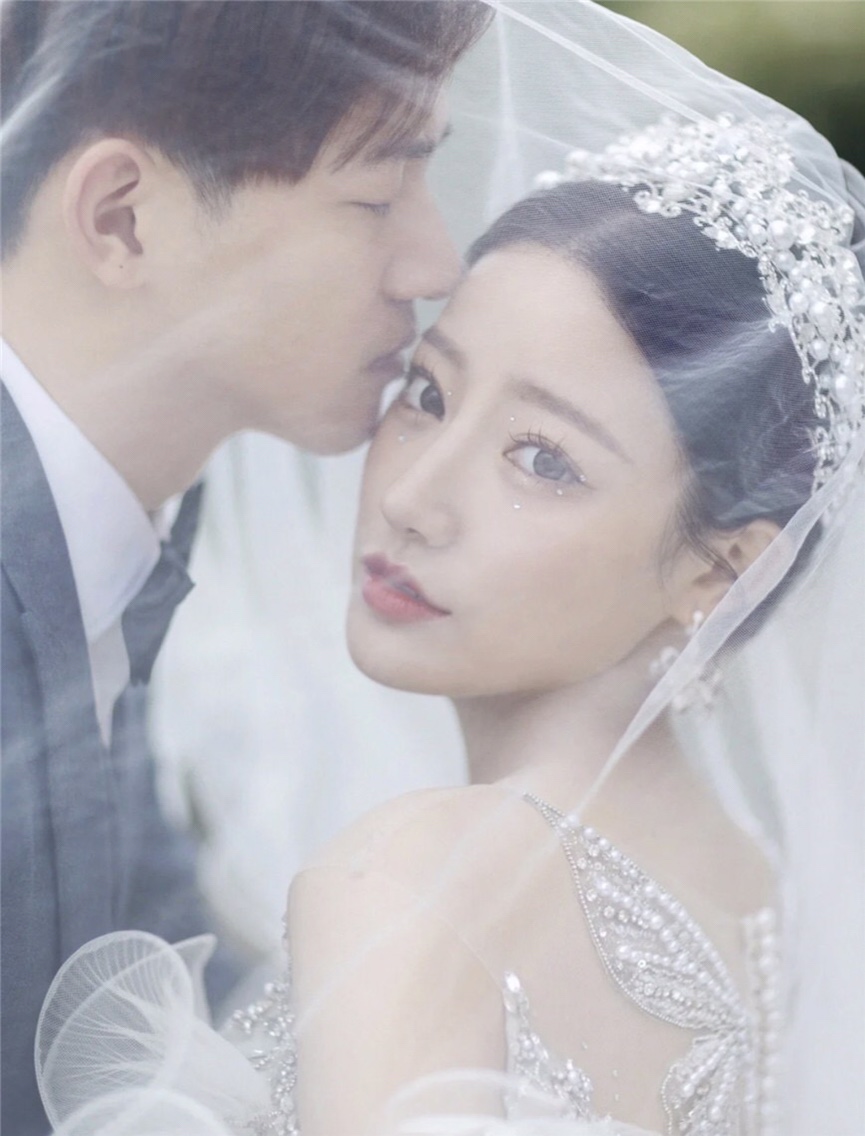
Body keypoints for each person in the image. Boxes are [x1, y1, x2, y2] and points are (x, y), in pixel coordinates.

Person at [32, 2, 865, 1135]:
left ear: (722, 573)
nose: (413, 497)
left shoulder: (408, 884)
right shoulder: (764, 899)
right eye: (427, 391)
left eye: (543, 459)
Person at [0, 3, 491, 1133]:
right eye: (375, 196)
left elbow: (128, 958)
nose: (435, 262)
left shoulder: (120, 519)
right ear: (123, 218)